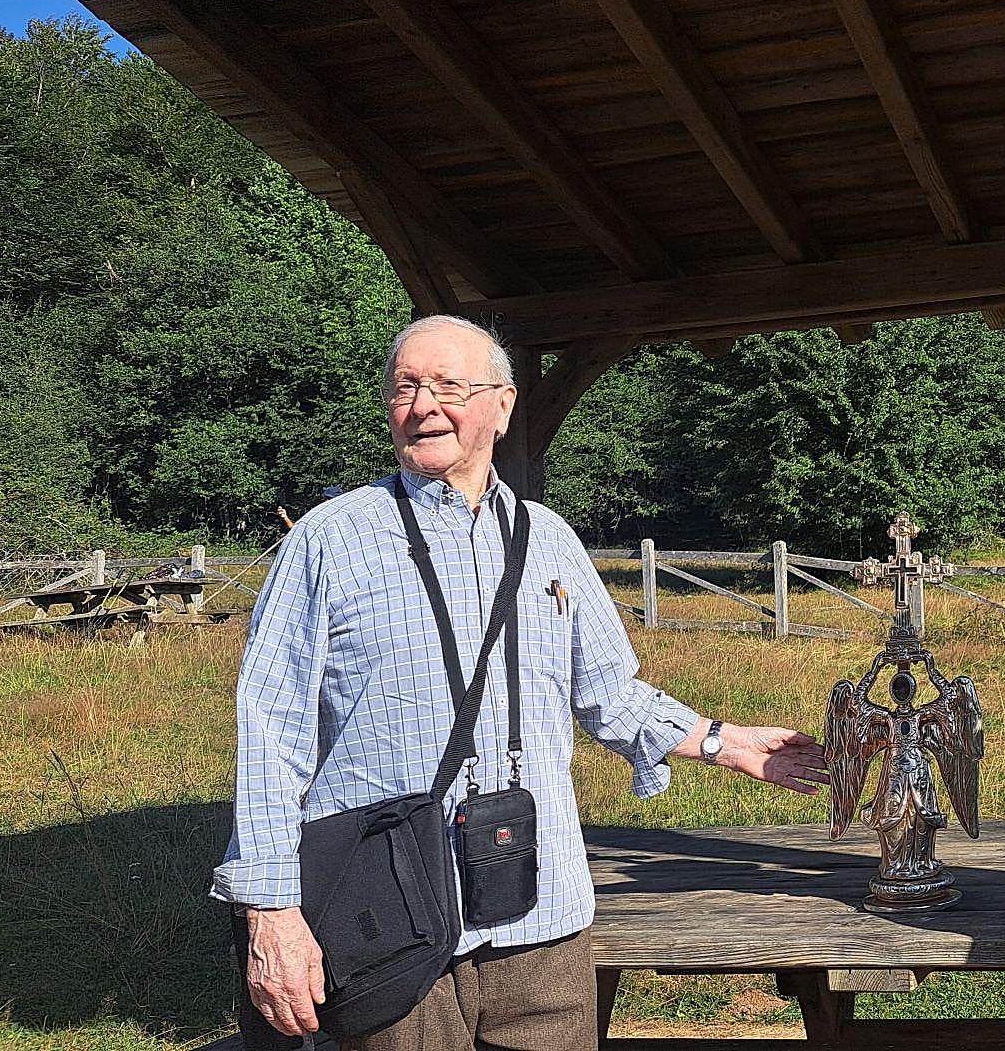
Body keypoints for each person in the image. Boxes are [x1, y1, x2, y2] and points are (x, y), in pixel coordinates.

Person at [212, 314, 829, 1049]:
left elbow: (610, 692)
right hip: (390, 918)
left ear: (502, 406)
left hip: (542, 920)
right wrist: (272, 911)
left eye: (448, 385)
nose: (423, 404)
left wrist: (724, 742)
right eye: (405, 387)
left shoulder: (548, 540)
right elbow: (271, 731)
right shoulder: (328, 540)